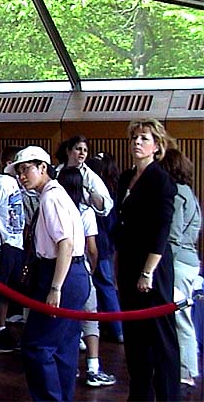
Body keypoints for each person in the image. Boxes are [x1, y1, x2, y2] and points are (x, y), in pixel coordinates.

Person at [8, 146, 88, 402]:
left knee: (37, 346)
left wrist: (55, 288)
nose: (22, 175)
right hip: (73, 273)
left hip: (60, 273)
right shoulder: (55, 194)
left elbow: (64, 243)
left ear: (42, 167)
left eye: (26, 169)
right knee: (64, 348)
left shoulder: (51, 197)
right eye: (19, 171)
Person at [114, 118, 179, 401]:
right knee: (135, 335)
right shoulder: (127, 178)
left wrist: (148, 272)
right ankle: (139, 394)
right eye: (135, 138)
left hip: (153, 265)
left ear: (156, 146)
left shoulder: (160, 179)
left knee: (160, 336)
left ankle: (168, 395)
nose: (137, 143)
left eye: (144, 138)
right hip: (129, 262)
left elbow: (161, 229)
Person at [56, 166, 116, 388]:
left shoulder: (54, 206)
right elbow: (92, 247)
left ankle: (66, 368)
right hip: (79, 267)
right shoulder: (85, 211)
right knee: (90, 317)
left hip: (55, 270)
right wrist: (90, 268)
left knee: (63, 320)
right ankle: (93, 367)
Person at [159, 148, 201, 393]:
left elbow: (171, 235)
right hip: (189, 259)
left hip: (178, 262)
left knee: (179, 318)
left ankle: (185, 372)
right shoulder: (190, 193)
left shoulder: (176, 194)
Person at [0, 145, 25, 354]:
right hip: (5, 243)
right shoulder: (2, 183)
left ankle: (0, 327)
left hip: (16, 242)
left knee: (7, 291)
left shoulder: (17, 185)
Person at [85, 153, 123, 343]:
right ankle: (113, 327)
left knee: (104, 285)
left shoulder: (101, 194)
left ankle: (117, 329)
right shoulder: (112, 190)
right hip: (105, 244)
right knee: (105, 285)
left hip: (99, 245)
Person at [55, 135, 112, 216]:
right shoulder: (56, 172)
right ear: (68, 151)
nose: (82, 153)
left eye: (85, 150)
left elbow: (104, 207)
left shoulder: (91, 176)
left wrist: (90, 189)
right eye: (78, 149)